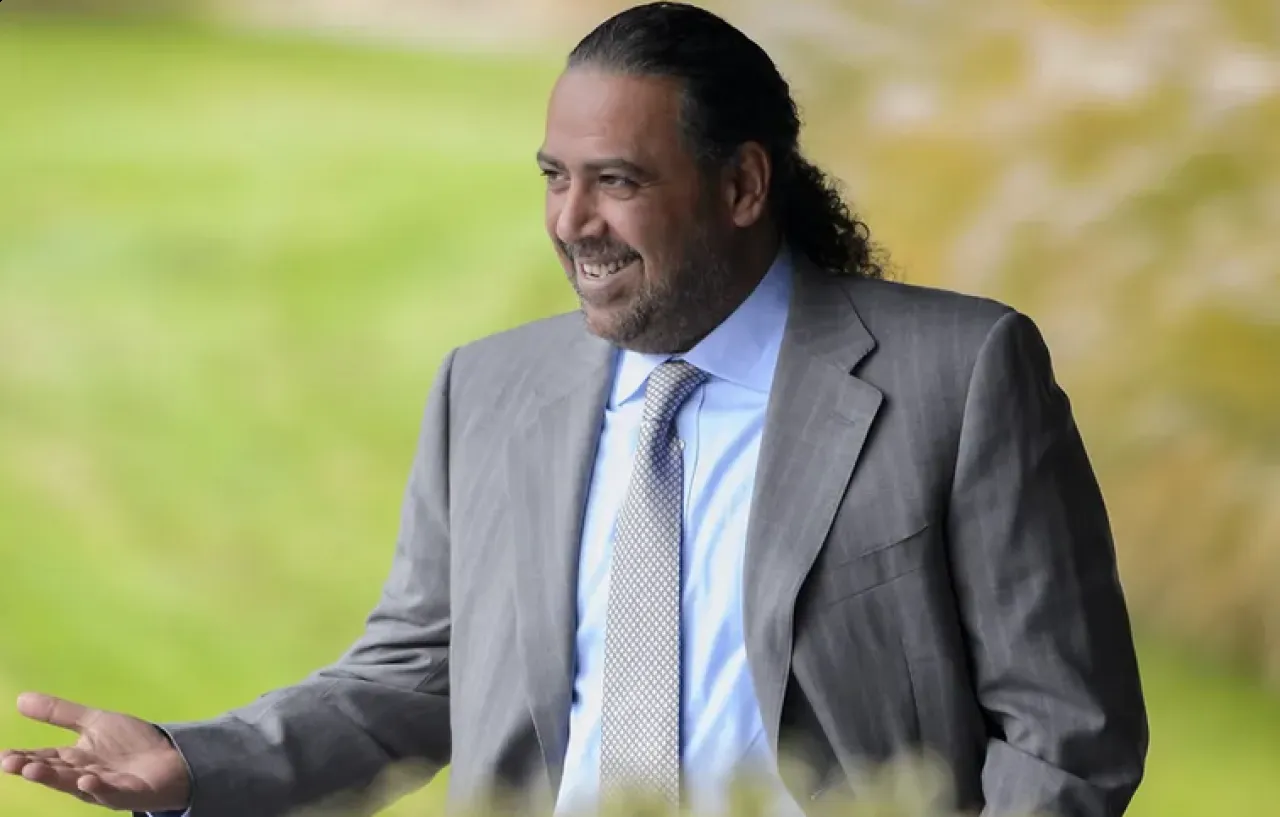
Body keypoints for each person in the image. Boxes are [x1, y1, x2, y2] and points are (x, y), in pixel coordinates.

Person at [0, 3, 1149, 816]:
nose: (570, 221)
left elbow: (1062, 729)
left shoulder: (957, 371)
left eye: (617, 181)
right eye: (554, 177)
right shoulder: (488, 388)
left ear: (743, 184)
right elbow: (416, 675)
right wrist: (197, 762)